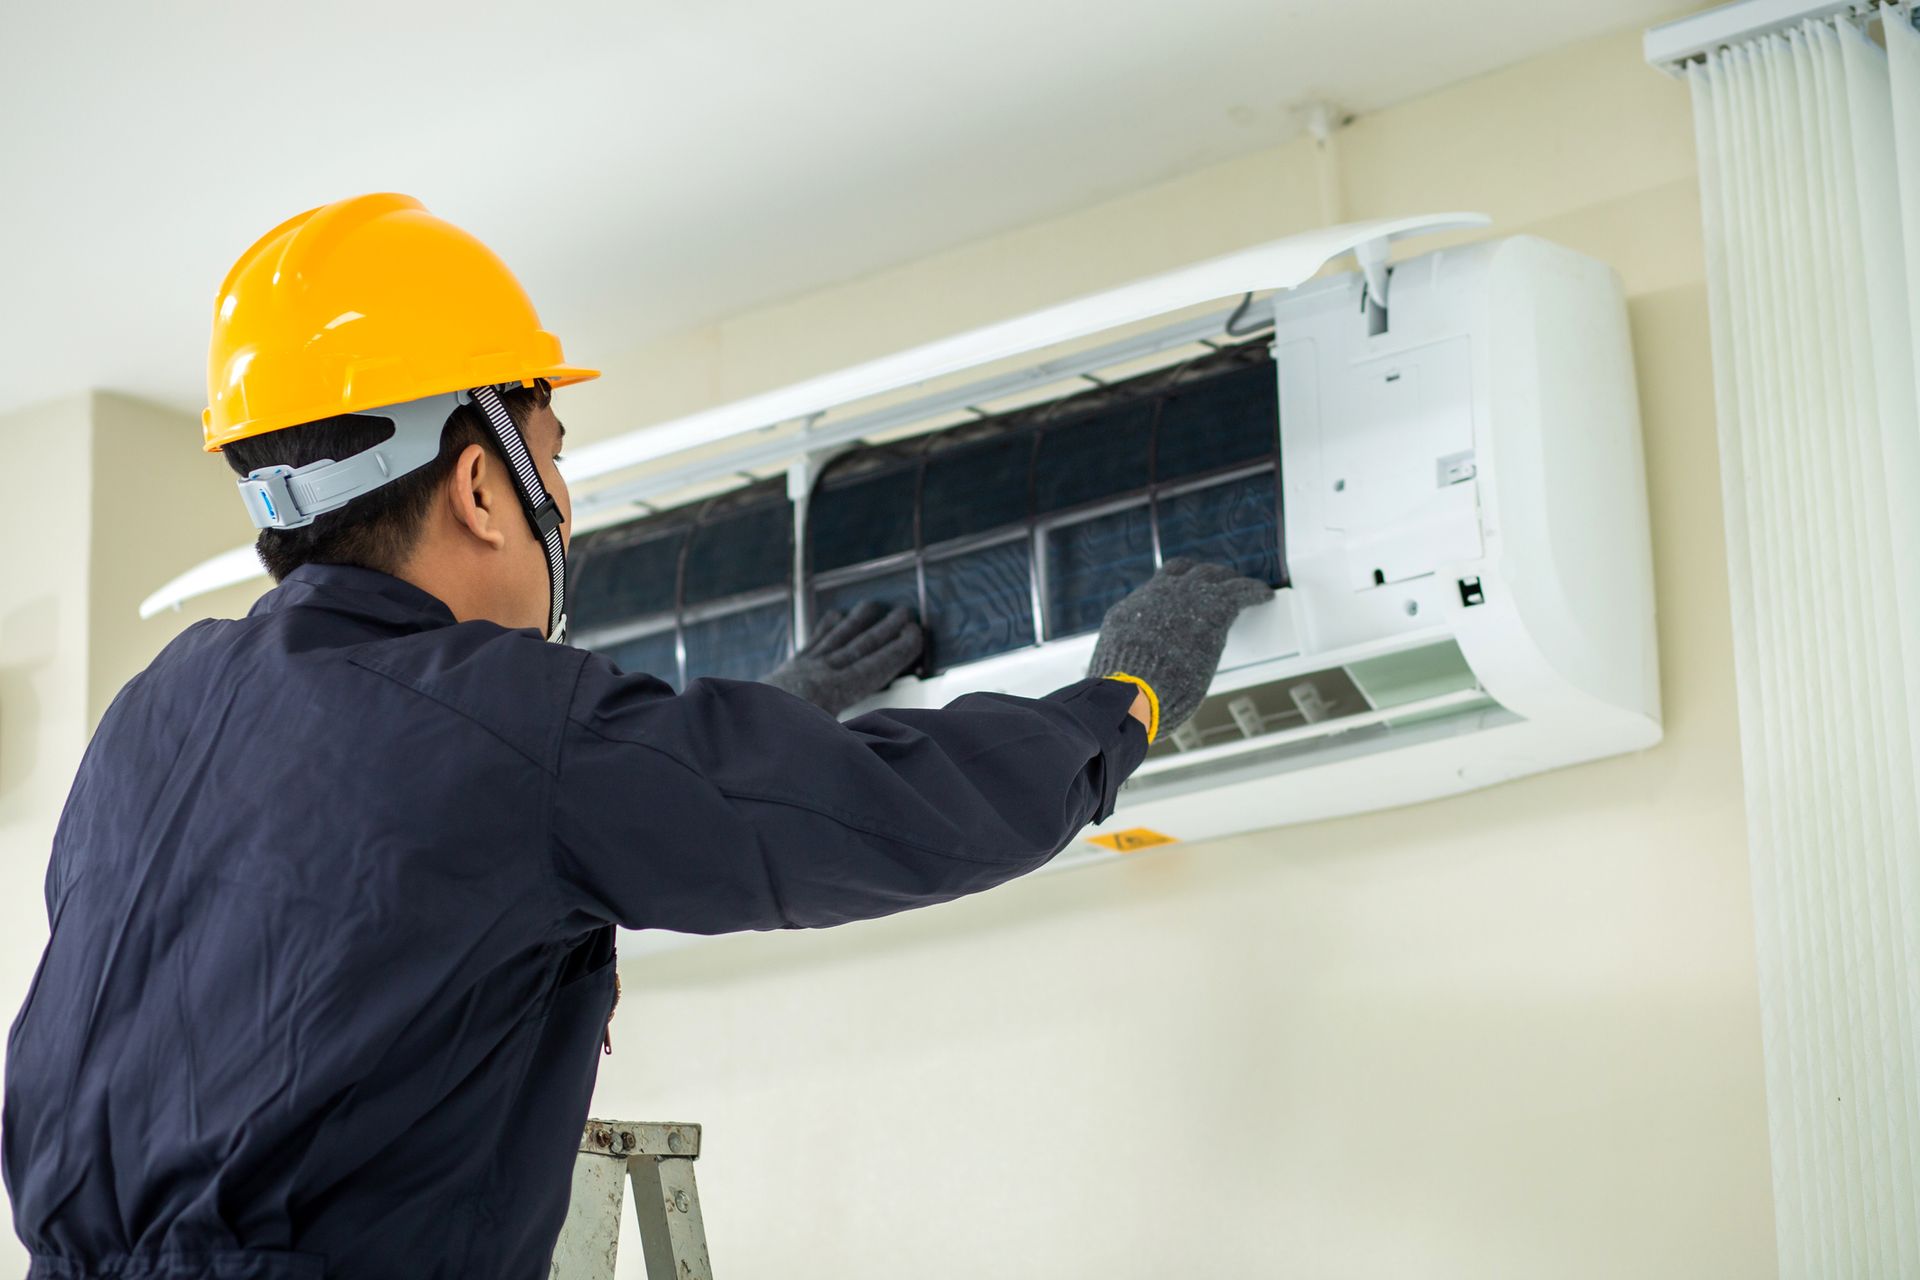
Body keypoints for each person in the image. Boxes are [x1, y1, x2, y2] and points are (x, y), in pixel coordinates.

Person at [3, 193, 1270, 1279]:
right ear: (481, 485)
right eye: (552, 454)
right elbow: (893, 817)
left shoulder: (153, 715)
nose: (563, 497)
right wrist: (1123, 702)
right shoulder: (498, 720)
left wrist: (738, 727)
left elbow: (402, 907)